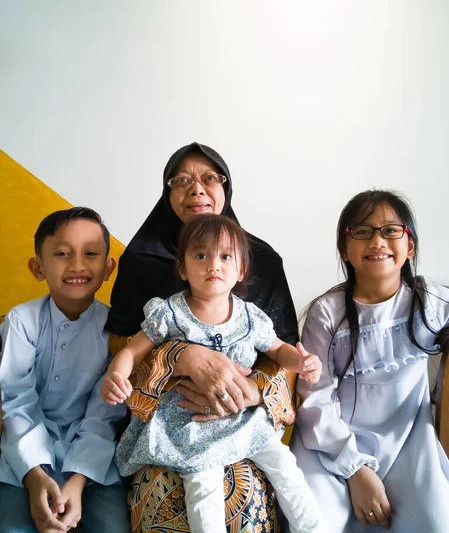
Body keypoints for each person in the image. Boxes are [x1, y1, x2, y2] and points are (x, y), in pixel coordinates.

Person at [106, 142, 299, 532]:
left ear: (227, 189)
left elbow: (282, 349)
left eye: (211, 177)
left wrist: (255, 390)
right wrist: (179, 355)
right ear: (167, 193)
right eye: (182, 180)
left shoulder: (260, 260)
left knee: (250, 497)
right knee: (166, 501)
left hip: (244, 418)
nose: (197, 188)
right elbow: (118, 346)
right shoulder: (140, 261)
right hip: (167, 425)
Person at [290, 190, 449, 532]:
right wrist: (355, 469)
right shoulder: (327, 312)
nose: (377, 240)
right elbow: (314, 398)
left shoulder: (429, 301)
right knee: (313, 524)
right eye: (362, 231)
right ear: (344, 249)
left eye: (391, 230)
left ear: (410, 246)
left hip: (409, 442)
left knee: (436, 522)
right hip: (330, 446)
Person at [0, 207, 131, 533]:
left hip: (93, 463)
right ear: (37, 267)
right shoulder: (22, 321)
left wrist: (77, 479)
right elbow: (15, 400)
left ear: (108, 267)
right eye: (61, 253)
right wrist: (34, 477)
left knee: (112, 528)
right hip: (21, 463)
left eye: (90, 254)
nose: (77, 265)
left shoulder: (116, 331)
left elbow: (105, 415)